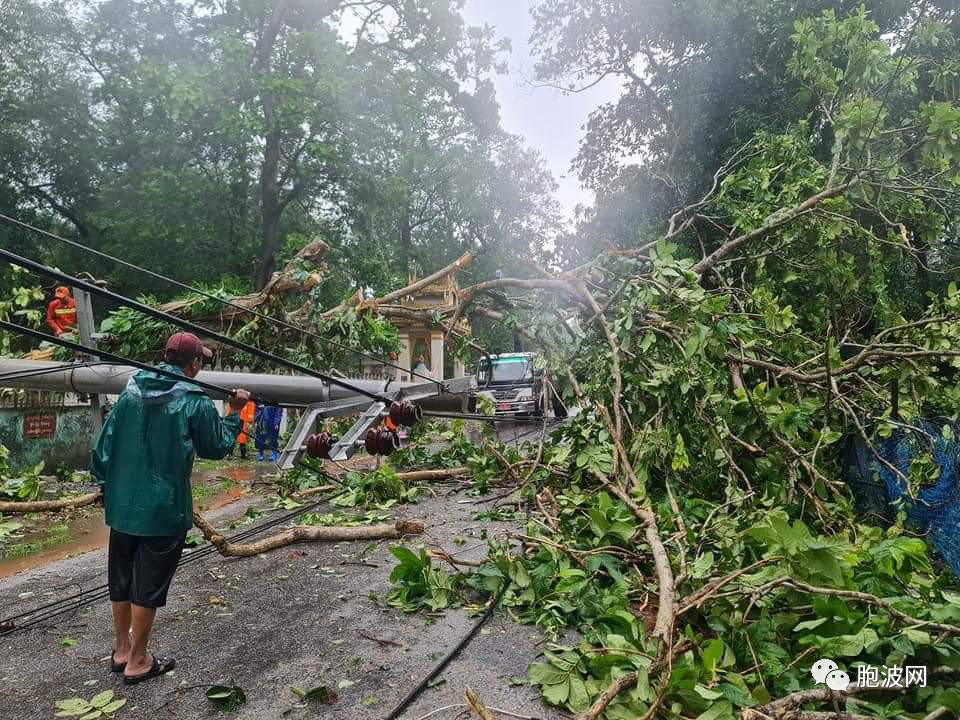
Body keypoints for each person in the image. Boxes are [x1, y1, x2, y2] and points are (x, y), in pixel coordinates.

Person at [90, 331, 249, 684]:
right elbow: (216, 446)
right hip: (163, 511)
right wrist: (235, 413)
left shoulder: (129, 392)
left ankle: (120, 650)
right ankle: (138, 660)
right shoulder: (195, 399)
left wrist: (107, 486)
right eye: (201, 361)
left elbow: (102, 448)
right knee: (147, 586)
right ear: (194, 364)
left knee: (122, 579)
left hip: (123, 507)